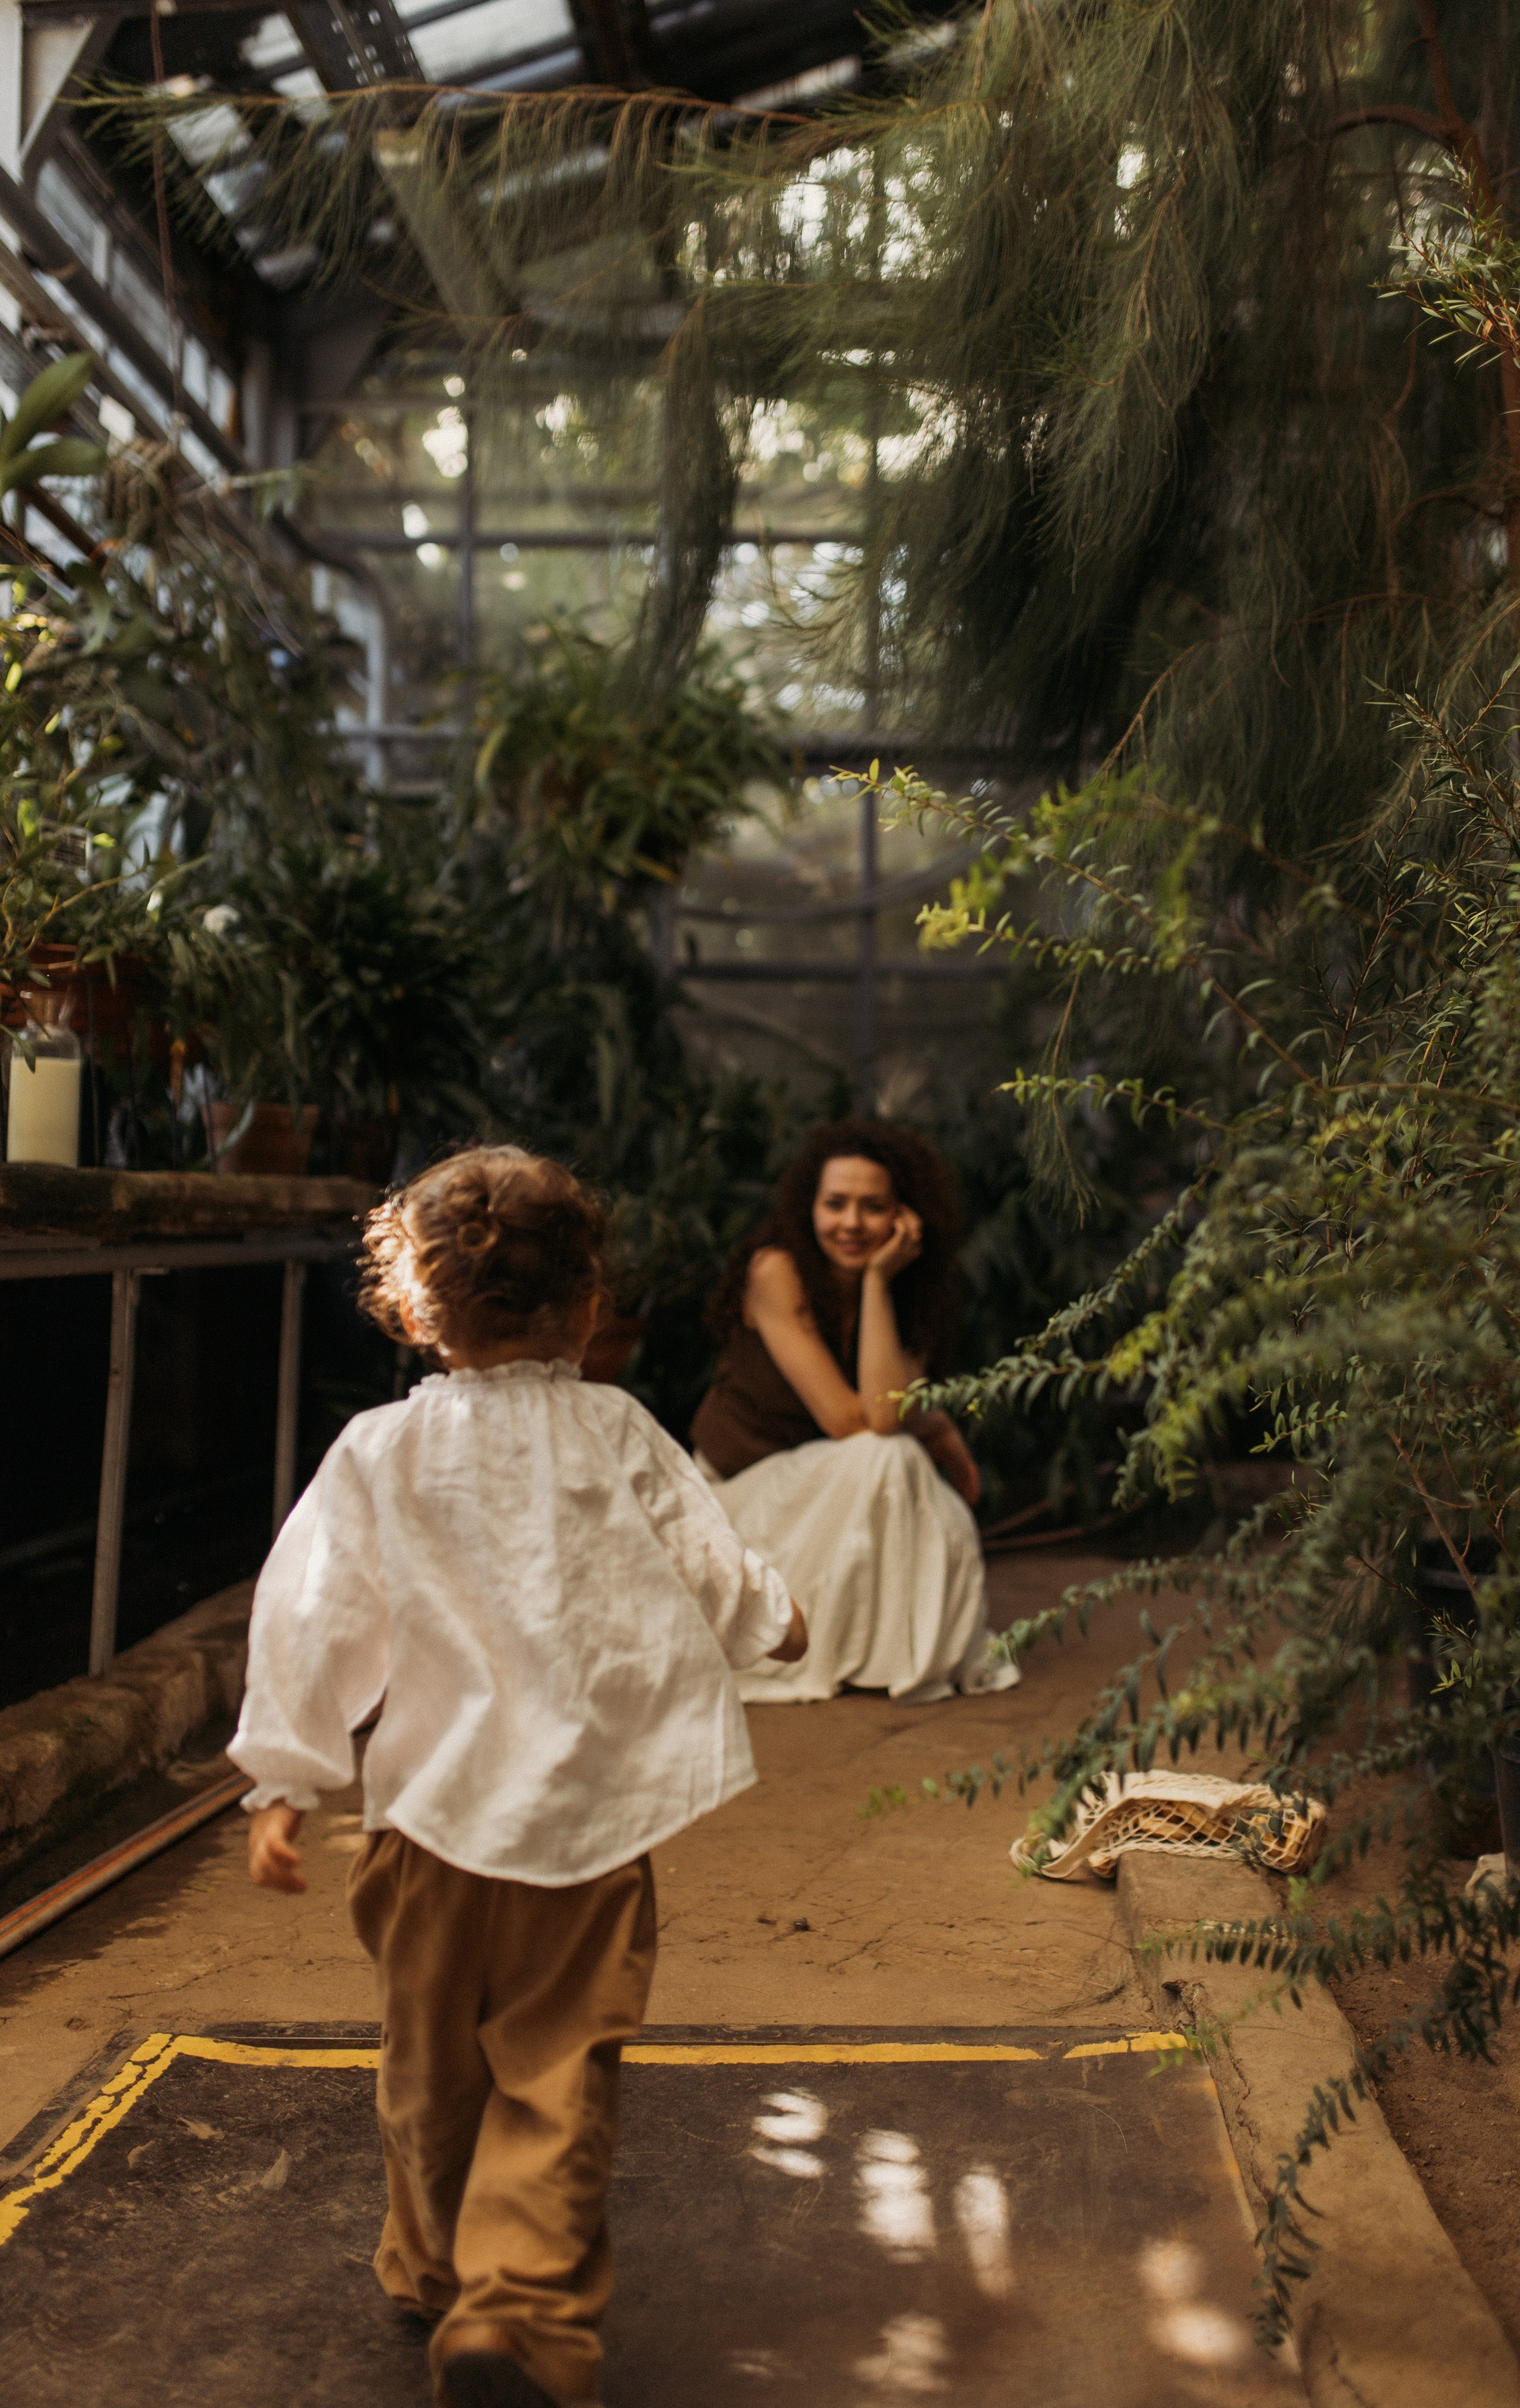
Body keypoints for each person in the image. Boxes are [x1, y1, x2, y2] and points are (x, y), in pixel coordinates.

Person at [230, 1145, 805, 2408]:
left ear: (417, 1309)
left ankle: (437, 2268)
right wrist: (774, 1620)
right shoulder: (617, 1430)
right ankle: (514, 2310)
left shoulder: (378, 1451)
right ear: (588, 1305)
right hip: (587, 1834)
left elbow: (310, 1612)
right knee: (554, 2075)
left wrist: (285, 1777)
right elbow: (704, 1554)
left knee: (428, 2072)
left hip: (426, 1827)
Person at [690, 1119, 1018, 1706]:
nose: (851, 1223)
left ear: (905, 1217)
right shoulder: (776, 1271)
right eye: (834, 1204)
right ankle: (882, 1656)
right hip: (742, 1497)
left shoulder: (912, 1288)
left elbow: (883, 1415)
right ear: (807, 1207)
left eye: (873, 1207)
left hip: (835, 1486)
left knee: (890, 1459)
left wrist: (877, 1285)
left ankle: (885, 1656)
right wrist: (933, 1424)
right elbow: (850, 1423)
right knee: (883, 1455)